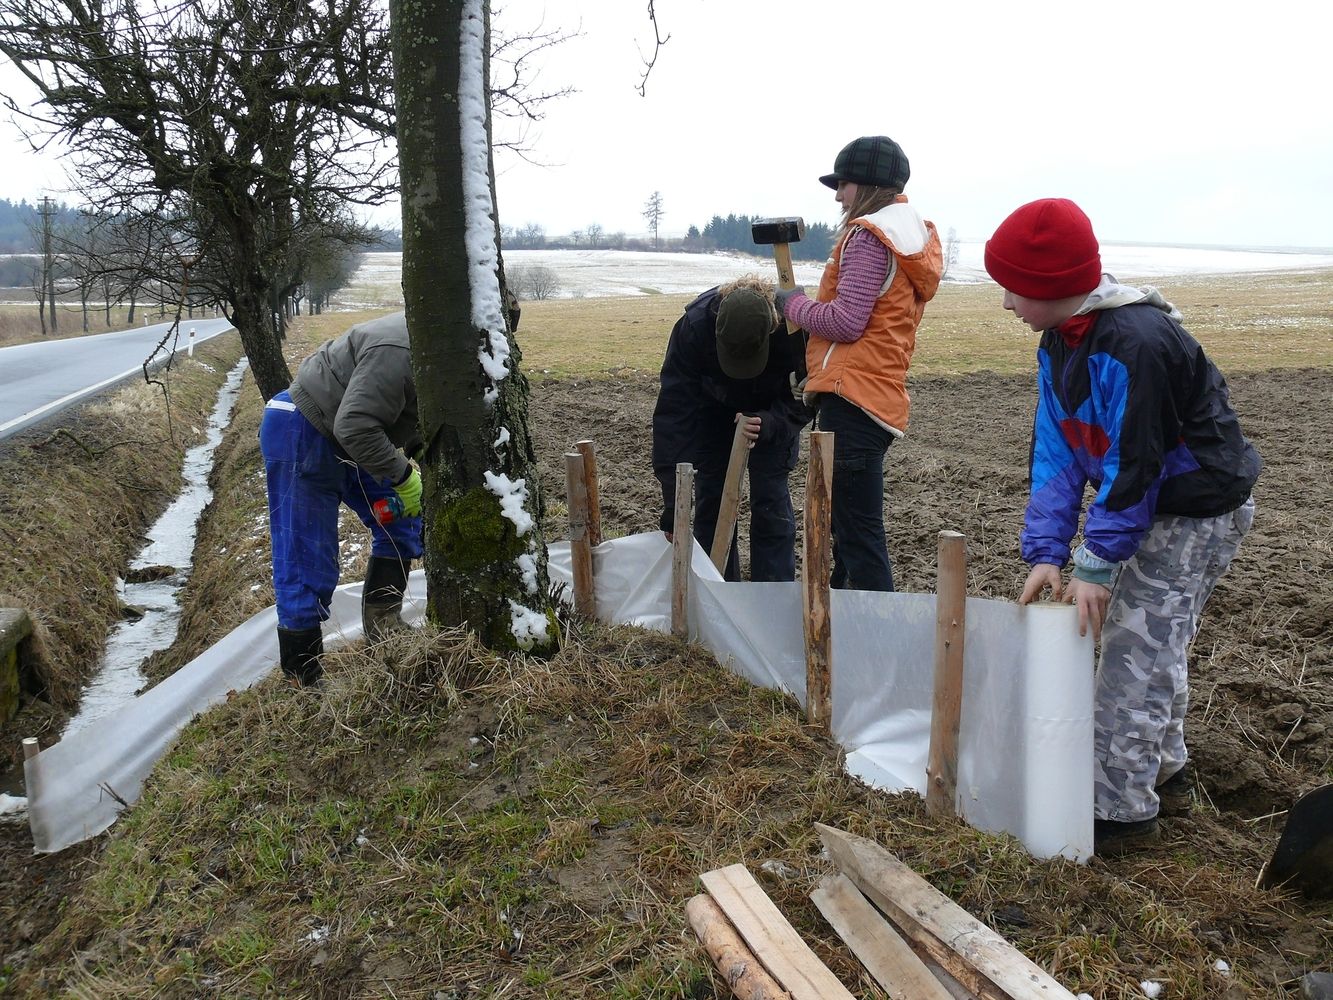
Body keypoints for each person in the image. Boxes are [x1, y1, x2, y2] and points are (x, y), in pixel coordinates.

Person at [983, 198, 1262, 855]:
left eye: (1014, 287)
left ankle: (1119, 815)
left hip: (1194, 511)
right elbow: (1057, 453)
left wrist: (1095, 563)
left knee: (1134, 655)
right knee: (1150, 643)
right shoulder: (1060, 342)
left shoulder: (1138, 343)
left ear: (1054, 284)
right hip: (1149, 503)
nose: (1005, 303)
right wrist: (1047, 550)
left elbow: (1135, 463)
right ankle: (1164, 773)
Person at [774, 135, 942, 591]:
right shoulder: (909, 236)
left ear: (867, 185)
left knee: (858, 536)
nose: (837, 196)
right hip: (873, 395)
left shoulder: (870, 238)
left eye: (843, 185)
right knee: (850, 533)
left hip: (853, 400)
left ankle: (878, 628)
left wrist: (792, 304)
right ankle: (850, 618)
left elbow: (846, 322)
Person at [259, 311, 425, 686]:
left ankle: (383, 625)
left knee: (401, 522)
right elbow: (354, 425)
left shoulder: (440, 347)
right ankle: (303, 677)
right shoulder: (401, 349)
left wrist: (423, 458)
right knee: (306, 558)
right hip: (304, 429)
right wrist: (403, 476)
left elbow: (413, 412)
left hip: (352, 435)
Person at [651, 277, 812, 581]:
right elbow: (674, 415)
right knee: (712, 503)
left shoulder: (793, 329)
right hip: (714, 410)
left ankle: (772, 596)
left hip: (772, 412)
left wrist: (770, 423)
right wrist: (673, 504)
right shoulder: (694, 328)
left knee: (771, 504)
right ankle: (718, 591)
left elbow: (808, 396)